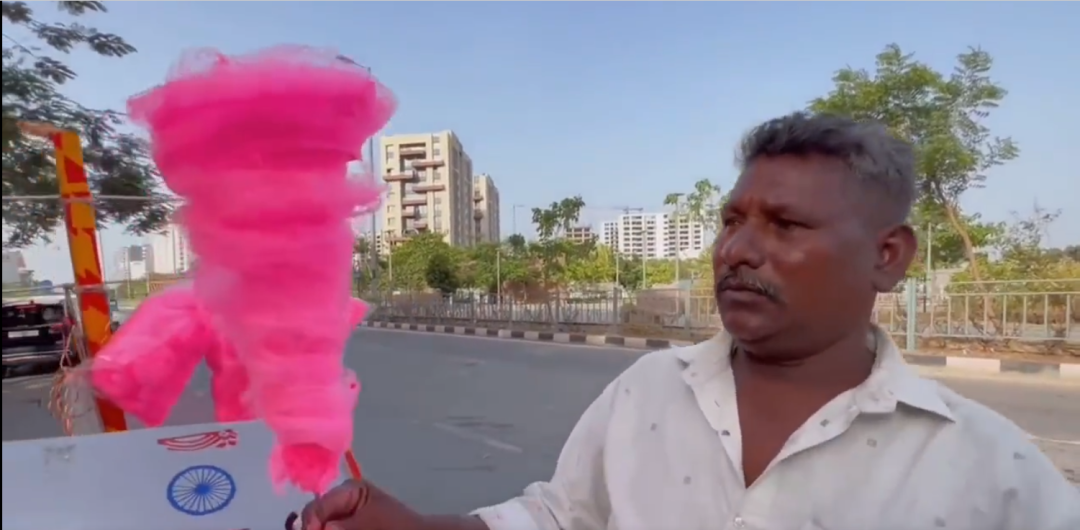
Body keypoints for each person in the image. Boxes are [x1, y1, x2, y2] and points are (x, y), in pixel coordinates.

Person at [299, 113, 1080, 530]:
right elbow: (562, 517)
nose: (736, 251)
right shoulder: (647, 390)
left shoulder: (994, 472)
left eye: (785, 226)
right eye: (732, 221)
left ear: (888, 256)